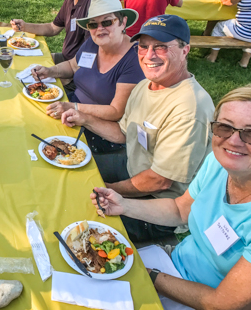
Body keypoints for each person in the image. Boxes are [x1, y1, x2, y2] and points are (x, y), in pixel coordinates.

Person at [91, 84, 251, 310]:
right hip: (173, 265)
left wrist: (146, 274)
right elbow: (180, 210)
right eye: (225, 127)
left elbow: (222, 303)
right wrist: (124, 206)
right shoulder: (219, 163)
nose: (233, 141)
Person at [62, 15, 215, 243]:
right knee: (64, 171)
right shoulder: (146, 85)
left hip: (157, 205)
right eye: (143, 47)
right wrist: (84, 118)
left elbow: (160, 181)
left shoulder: (189, 108)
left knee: (72, 215)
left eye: (161, 47)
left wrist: (106, 189)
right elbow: (123, 134)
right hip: (131, 168)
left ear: (185, 51)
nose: (149, 55)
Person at [31, 0, 144, 156]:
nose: (99, 29)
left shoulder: (133, 59)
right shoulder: (93, 42)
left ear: (123, 22)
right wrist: (50, 71)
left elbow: (116, 111)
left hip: (98, 130)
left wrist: (74, 107)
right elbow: (72, 65)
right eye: (93, 24)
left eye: (107, 22)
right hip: (70, 108)